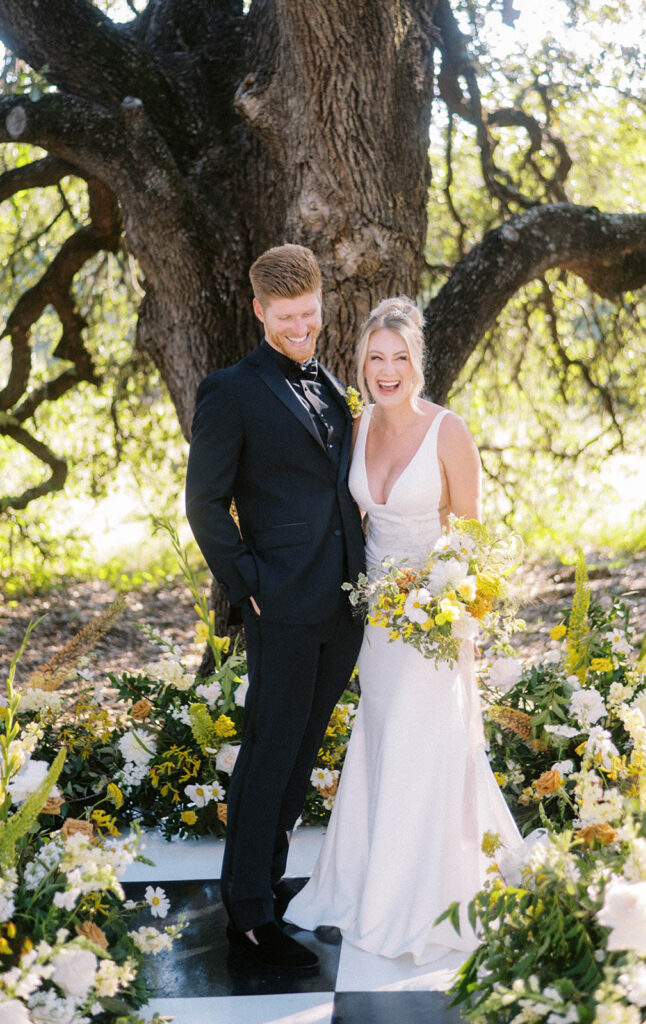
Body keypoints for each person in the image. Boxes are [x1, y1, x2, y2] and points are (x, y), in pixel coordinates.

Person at [285, 296, 522, 964]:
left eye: (399, 358)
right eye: (375, 358)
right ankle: (368, 881)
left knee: (429, 742)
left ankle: (426, 895)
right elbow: (348, 521)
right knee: (383, 735)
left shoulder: (449, 431)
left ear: (418, 363)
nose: (386, 371)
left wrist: (452, 608)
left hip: (435, 621)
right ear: (361, 362)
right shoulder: (356, 427)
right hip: (375, 621)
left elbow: (471, 536)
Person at [185, 244, 365, 969]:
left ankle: (268, 883)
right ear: (259, 310)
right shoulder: (230, 390)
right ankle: (249, 914)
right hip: (280, 604)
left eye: (309, 315)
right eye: (286, 317)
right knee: (268, 753)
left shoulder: (332, 384)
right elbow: (203, 504)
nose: (300, 328)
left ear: (321, 305)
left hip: (342, 603)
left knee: (300, 753)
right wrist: (248, 582)